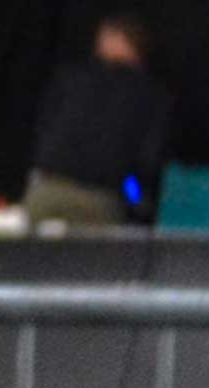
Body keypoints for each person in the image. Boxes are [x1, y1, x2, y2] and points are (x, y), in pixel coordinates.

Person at [27, 14, 171, 228]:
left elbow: (42, 127)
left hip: (52, 189)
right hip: (97, 198)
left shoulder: (72, 79)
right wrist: (135, 198)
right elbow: (146, 162)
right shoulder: (151, 95)